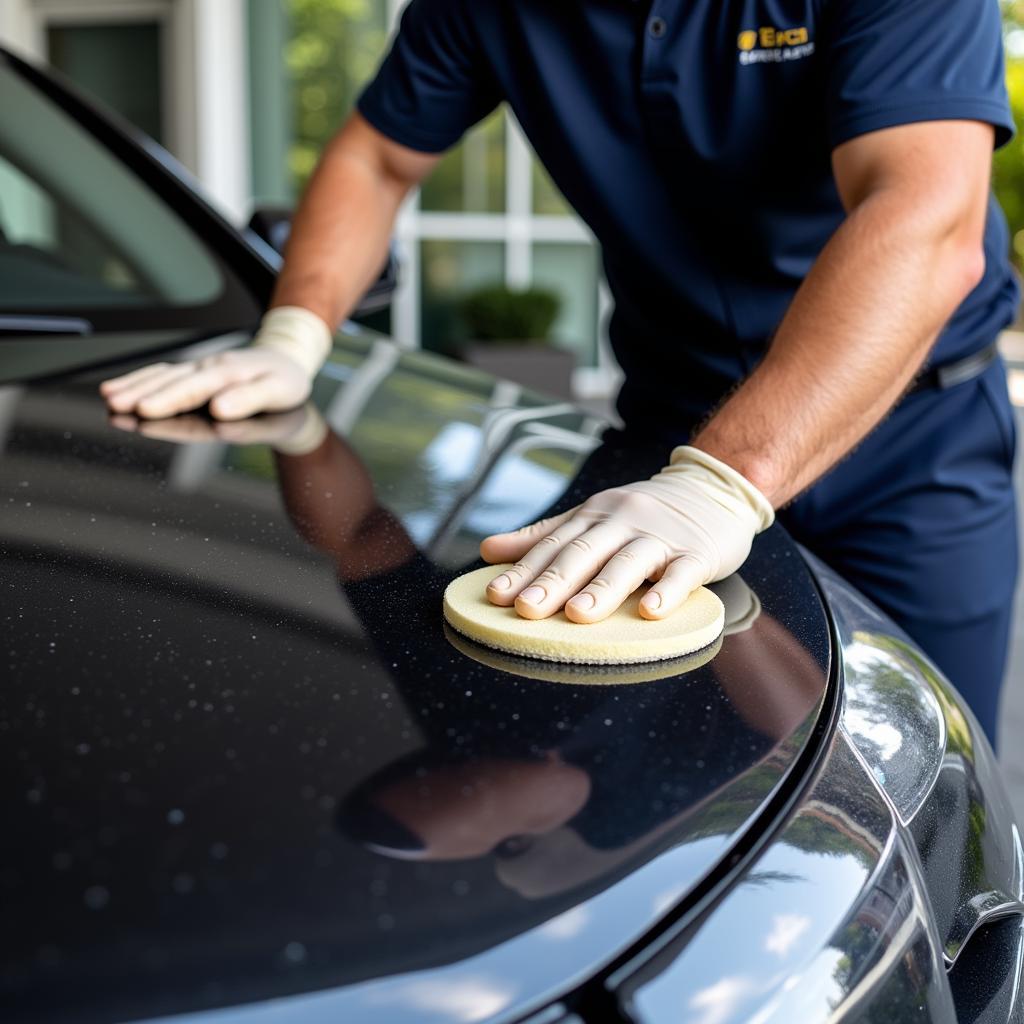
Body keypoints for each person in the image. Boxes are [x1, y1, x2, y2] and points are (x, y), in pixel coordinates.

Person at [100, 0, 1019, 745]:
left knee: (924, 758)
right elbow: (377, 156)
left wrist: (721, 486)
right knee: (697, 766)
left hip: (912, 444)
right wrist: (292, 337)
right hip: (668, 429)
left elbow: (926, 218)